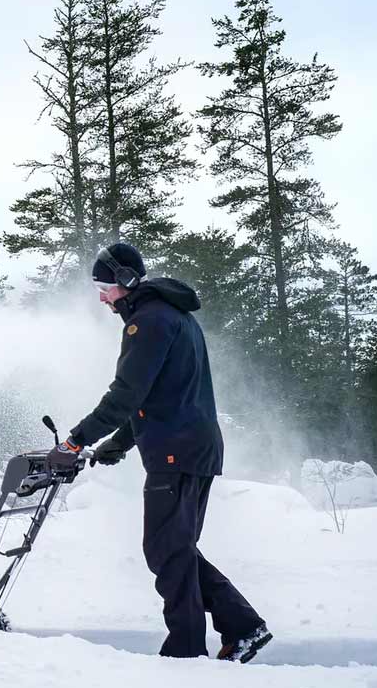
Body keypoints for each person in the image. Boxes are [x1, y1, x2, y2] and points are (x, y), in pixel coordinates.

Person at [49, 242, 272, 662]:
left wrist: (76, 440)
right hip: (193, 446)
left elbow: (126, 394)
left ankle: (189, 649)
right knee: (176, 549)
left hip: (177, 451)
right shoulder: (173, 315)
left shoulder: (148, 322)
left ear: (127, 281)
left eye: (105, 287)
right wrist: (118, 443)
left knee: (166, 551)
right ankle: (241, 628)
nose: (102, 297)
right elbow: (156, 395)